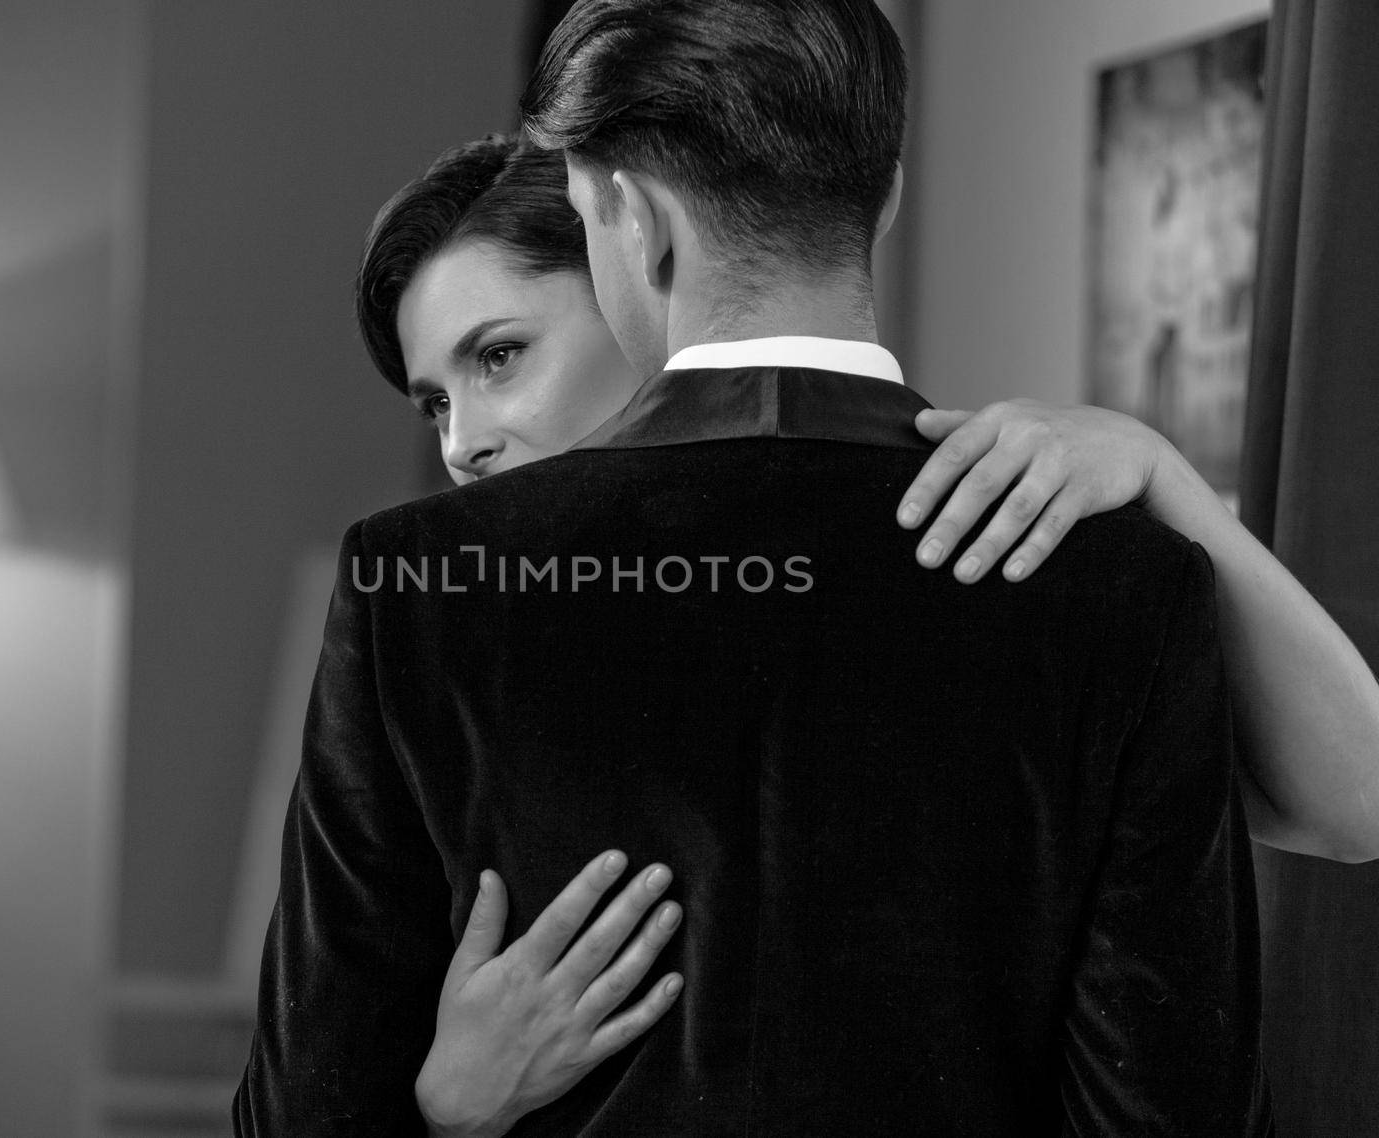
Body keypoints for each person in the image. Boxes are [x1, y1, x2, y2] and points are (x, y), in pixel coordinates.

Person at [235, 1, 1287, 1131]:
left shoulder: (415, 589)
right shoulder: (1125, 583)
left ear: (628, 220)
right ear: (883, 197)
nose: (462, 437)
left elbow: (306, 1113)